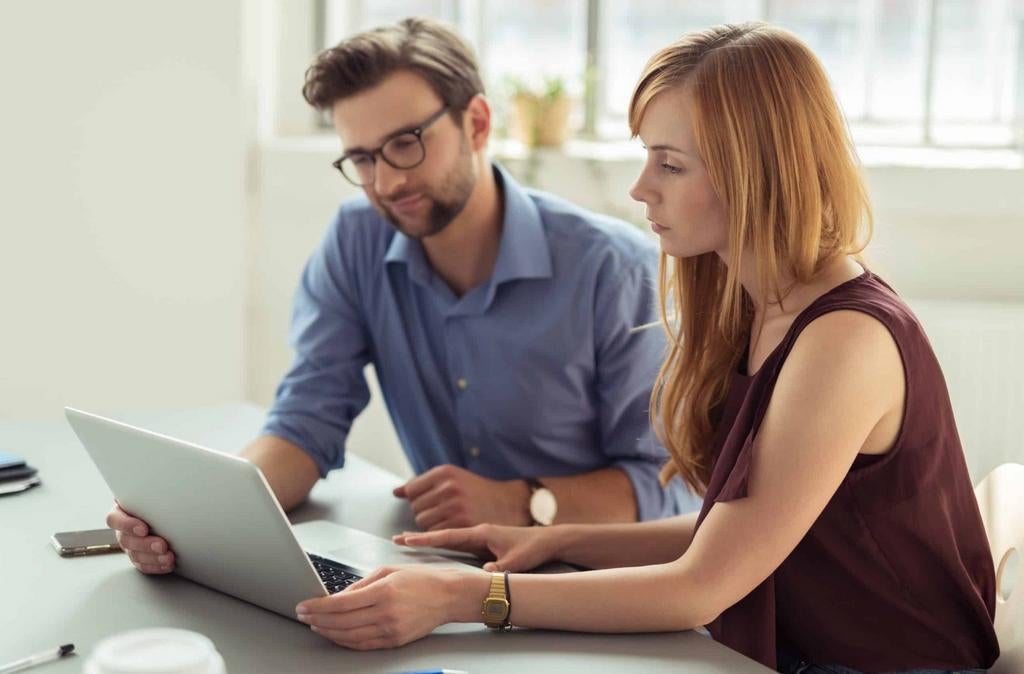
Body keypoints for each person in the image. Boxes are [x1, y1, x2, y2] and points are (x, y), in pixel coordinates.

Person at [288, 22, 1001, 673]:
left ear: (752, 170)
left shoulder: (846, 339)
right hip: (774, 650)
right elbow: (734, 533)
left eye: (669, 164)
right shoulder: (759, 307)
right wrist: (556, 541)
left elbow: (700, 588)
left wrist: (467, 595)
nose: (640, 189)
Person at [105, 18, 698, 577]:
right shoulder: (356, 239)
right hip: (444, 572)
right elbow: (307, 418)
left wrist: (523, 501)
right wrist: (204, 518)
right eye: (362, 159)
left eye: (406, 143)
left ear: (478, 124)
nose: (386, 183)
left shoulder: (614, 269)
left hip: (595, 582)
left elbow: (666, 484)